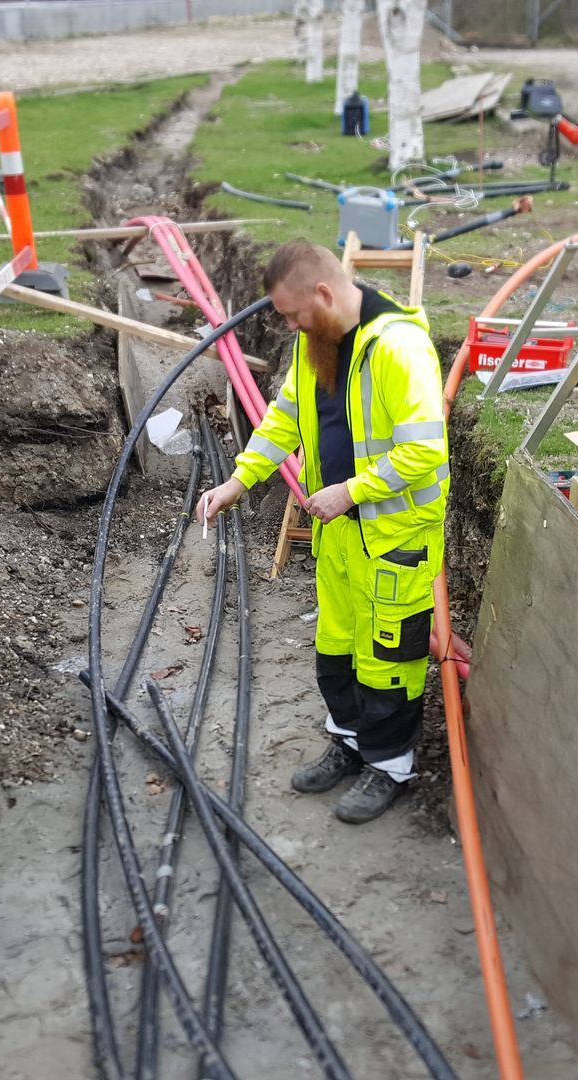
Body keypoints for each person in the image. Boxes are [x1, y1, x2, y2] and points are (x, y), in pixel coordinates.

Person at [199, 240, 449, 824]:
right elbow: (284, 417)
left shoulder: (399, 348)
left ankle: (389, 767)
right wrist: (240, 481)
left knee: (389, 660)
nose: (288, 325)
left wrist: (353, 490)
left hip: (394, 540)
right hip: (341, 537)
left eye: (292, 314)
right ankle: (350, 744)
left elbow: (424, 449)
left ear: (323, 293)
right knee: (337, 648)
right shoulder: (317, 343)